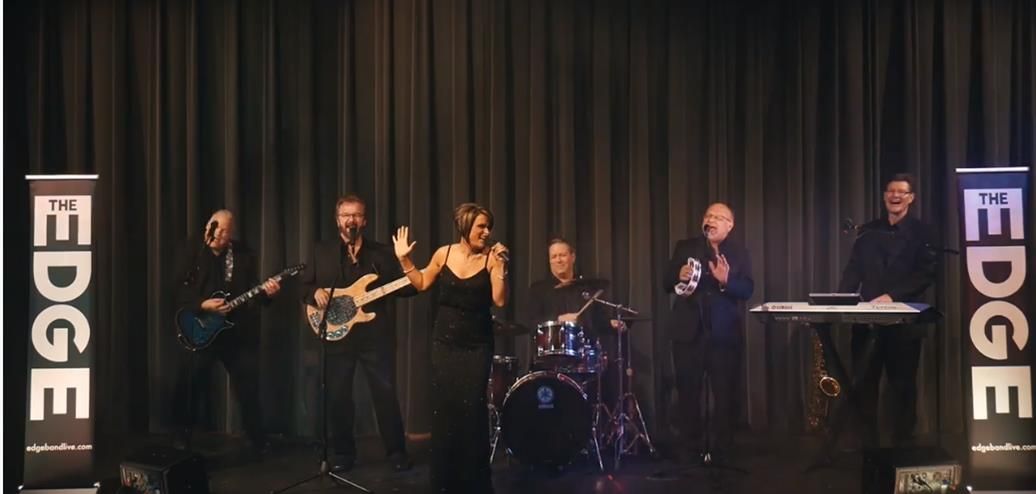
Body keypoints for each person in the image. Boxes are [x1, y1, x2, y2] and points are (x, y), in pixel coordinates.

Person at [393, 203, 509, 493]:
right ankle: (446, 481)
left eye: (489, 227)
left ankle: (475, 483)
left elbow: (499, 300)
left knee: (472, 411)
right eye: (481, 226)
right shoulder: (443, 254)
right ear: (464, 226)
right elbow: (421, 283)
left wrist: (502, 267)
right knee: (446, 410)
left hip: (477, 344)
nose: (487, 232)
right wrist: (405, 260)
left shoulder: (491, 259)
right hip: (445, 343)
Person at [301, 194, 415, 472]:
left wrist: (406, 262)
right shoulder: (321, 251)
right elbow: (302, 286)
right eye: (345, 215)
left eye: (356, 215)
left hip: (375, 336)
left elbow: (408, 288)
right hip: (336, 335)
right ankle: (342, 454)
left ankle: (396, 452)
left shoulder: (382, 253)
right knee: (338, 396)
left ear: (364, 221)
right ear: (337, 220)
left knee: (385, 393)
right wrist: (314, 292)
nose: (350, 220)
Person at [171, 209, 281, 458]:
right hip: (200, 328)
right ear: (207, 227)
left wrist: (267, 294)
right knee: (191, 384)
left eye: (223, 230)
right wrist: (201, 304)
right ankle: (181, 435)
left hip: (234, 331)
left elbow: (252, 291)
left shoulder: (242, 255)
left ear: (231, 234)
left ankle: (257, 438)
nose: (217, 233)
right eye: (214, 227)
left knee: (248, 385)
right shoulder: (192, 250)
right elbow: (177, 289)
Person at [838, 173, 936, 447]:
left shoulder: (923, 233)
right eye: (891, 191)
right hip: (866, 324)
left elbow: (926, 273)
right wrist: (839, 300)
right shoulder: (868, 232)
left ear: (911, 198)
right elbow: (853, 271)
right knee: (864, 386)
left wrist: (892, 296)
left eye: (902, 192)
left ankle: (903, 445)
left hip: (904, 326)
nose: (895, 196)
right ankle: (867, 446)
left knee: (902, 387)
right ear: (884, 196)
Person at [663, 202, 754, 463]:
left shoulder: (739, 253)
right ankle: (690, 448)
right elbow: (666, 282)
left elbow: (747, 289)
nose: (711, 220)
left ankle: (723, 449)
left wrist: (726, 281)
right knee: (688, 392)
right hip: (688, 332)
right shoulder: (685, 247)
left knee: (724, 394)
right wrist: (678, 274)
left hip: (723, 334)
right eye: (708, 216)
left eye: (718, 217)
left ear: (730, 225)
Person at [526, 237, 617, 402]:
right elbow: (531, 322)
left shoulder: (586, 289)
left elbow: (599, 321)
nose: (558, 260)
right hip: (550, 360)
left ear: (572, 257)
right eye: (554, 257)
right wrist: (558, 319)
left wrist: (612, 324)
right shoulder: (539, 290)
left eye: (562, 255)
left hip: (583, 359)